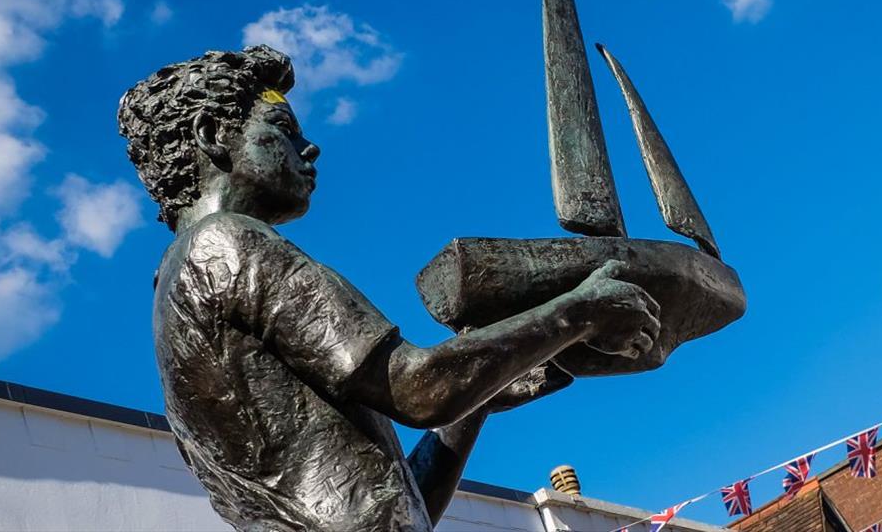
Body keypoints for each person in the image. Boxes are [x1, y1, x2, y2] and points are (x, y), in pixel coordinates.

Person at [117, 45, 660, 531]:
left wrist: (476, 400)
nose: (310, 148)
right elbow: (415, 389)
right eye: (283, 128)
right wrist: (579, 313)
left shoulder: (178, 287)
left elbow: (399, 507)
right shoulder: (229, 244)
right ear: (213, 136)